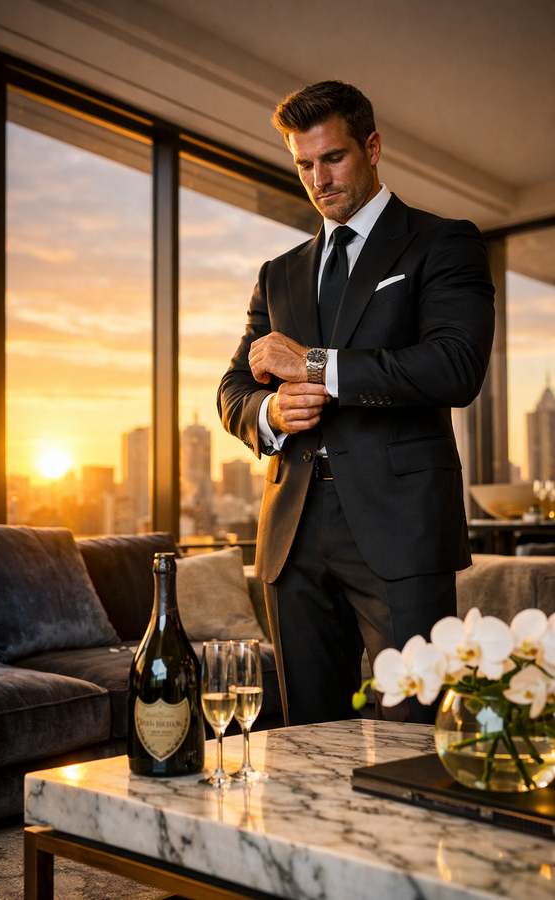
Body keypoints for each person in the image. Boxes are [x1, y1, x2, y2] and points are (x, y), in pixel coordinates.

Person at [217, 80, 494, 726]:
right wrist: (270, 415)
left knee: (418, 739)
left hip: (402, 530)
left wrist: (312, 365)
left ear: (372, 147)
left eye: (333, 158)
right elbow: (235, 388)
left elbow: (455, 366)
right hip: (292, 534)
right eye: (304, 165)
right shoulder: (277, 274)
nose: (319, 179)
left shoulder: (442, 242)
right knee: (306, 742)